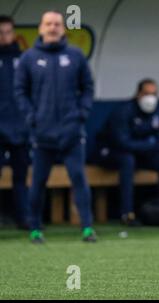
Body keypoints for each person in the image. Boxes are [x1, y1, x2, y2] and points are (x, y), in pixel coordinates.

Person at [14, 11, 96, 243]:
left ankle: (87, 228)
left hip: (72, 132)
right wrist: (32, 117)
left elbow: (88, 87)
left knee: (79, 178)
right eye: (48, 24)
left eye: (57, 24)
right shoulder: (29, 58)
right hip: (42, 134)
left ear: (63, 28)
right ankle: (35, 228)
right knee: (38, 181)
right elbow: (20, 91)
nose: (52, 28)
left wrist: (81, 114)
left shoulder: (75, 55)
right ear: (40, 28)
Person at [92, 79, 159, 225]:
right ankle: (127, 213)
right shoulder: (124, 111)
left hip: (139, 154)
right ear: (138, 94)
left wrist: (146, 146)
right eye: (147, 93)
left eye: (154, 94)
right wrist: (148, 144)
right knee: (127, 160)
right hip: (110, 153)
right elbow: (122, 143)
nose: (151, 98)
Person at [0, 15, 31, 229]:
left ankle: (25, 218)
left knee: (21, 176)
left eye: (8, 32)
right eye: (0, 33)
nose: (4, 36)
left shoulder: (25, 60)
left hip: (21, 128)